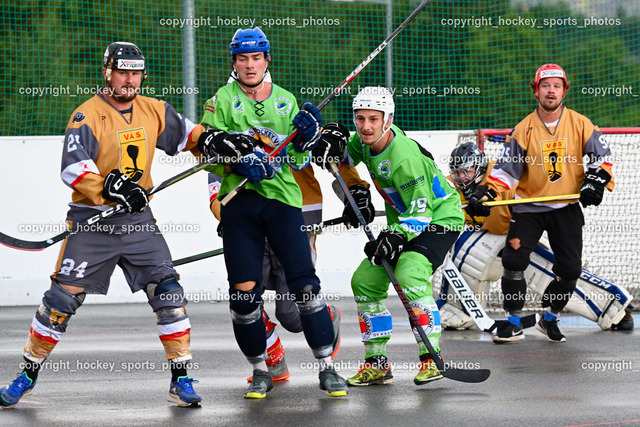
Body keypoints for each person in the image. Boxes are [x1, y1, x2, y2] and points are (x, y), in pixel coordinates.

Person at [0, 42, 204, 408]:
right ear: (107, 72)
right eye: (122, 72)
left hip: (139, 222)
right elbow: (73, 167)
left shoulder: (153, 109)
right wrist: (111, 187)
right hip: (93, 222)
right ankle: (27, 374)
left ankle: (182, 377)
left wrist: (217, 140)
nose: (129, 80)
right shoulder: (87, 115)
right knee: (61, 301)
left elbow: (191, 136)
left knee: (169, 293)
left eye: (136, 73)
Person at [195, 28, 347, 398]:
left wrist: (307, 137)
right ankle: (262, 370)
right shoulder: (221, 101)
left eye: (256, 58)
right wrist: (235, 160)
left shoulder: (285, 100)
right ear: (234, 61)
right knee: (244, 296)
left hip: (282, 202)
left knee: (305, 288)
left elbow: (296, 159)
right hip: (240, 207)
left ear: (267, 60)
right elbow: (205, 158)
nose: (250, 65)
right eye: (243, 59)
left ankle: (327, 368)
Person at [315, 86, 464, 386]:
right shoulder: (366, 140)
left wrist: (393, 237)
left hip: (440, 219)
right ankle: (377, 363)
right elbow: (343, 160)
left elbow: (422, 213)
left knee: (409, 272)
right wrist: (328, 143)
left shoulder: (404, 158)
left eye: (373, 119)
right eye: (359, 119)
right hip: (406, 221)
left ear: (388, 119)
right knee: (365, 281)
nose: (366, 126)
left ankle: (430, 358)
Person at [466, 64, 616, 343]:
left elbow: (602, 158)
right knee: (513, 260)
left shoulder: (581, 124)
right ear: (536, 91)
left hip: (566, 207)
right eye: (545, 85)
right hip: (528, 208)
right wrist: (486, 193)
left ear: (564, 90)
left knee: (570, 270)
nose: (551, 90)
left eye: (556, 85)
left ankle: (550, 319)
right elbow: (504, 173)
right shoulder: (523, 129)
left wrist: (596, 181)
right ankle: (512, 323)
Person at [438, 142, 633, 332]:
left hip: (517, 233)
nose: (461, 178)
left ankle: (613, 308)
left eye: (466, 172)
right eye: (457, 173)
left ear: (479, 168)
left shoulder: (499, 177)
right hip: (486, 234)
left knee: (550, 272)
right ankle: (456, 310)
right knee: (465, 251)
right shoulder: (450, 186)